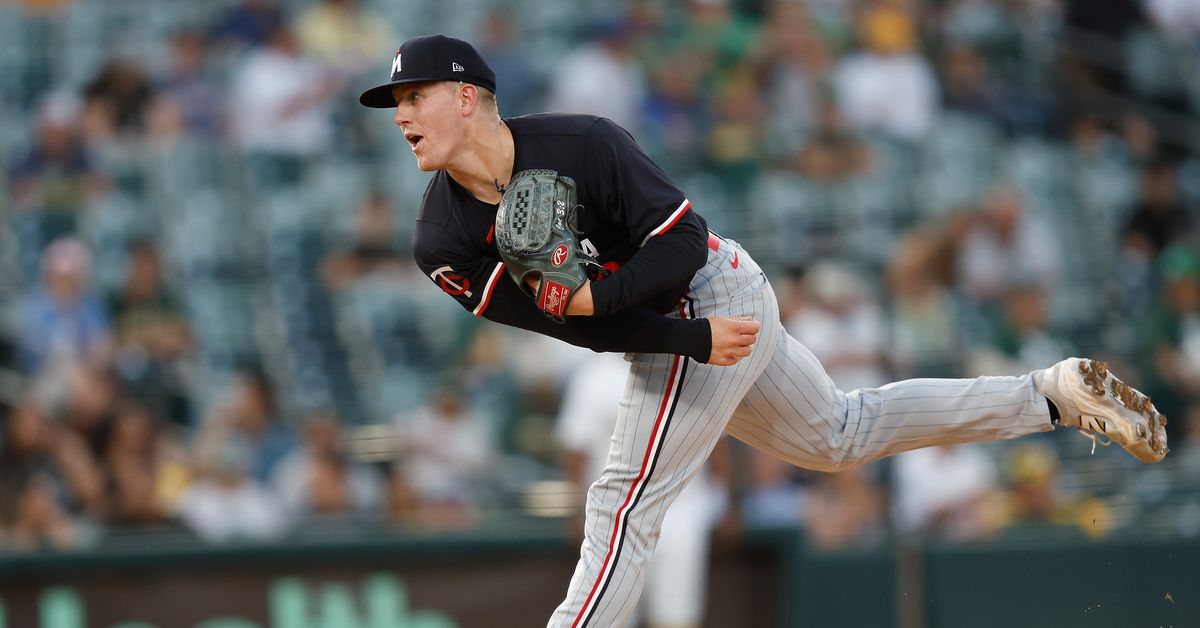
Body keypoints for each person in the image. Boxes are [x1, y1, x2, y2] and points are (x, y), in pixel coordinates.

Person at [358, 34, 1169, 627]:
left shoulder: (583, 142)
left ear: (468, 96)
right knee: (839, 435)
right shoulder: (443, 242)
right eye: (394, 103)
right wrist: (673, 340)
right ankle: (1051, 396)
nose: (400, 116)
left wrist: (644, 315)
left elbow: (678, 241)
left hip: (715, 282)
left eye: (413, 97)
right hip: (681, 330)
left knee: (622, 501)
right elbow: (575, 332)